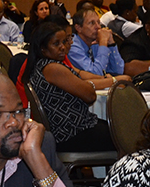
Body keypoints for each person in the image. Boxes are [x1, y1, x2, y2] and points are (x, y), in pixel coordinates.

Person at [29, 22, 118, 153]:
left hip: (69, 130)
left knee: (120, 129)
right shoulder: (53, 68)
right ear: (43, 48)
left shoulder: (41, 65)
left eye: (64, 42)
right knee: (125, 135)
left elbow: (81, 78)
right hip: (71, 133)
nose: (63, 47)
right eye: (56, 44)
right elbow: (90, 96)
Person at [67, 8, 128, 77]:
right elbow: (96, 74)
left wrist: (111, 43)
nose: (98, 27)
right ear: (78, 28)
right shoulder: (72, 46)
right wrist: (103, 43)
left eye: (98, 22)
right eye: (92, 23)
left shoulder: (95, 41)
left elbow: (118, 71)